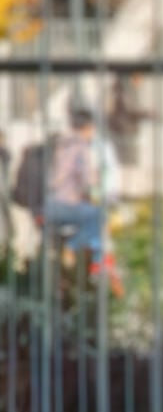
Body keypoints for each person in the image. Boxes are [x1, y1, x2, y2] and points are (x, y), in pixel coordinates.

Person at [42, 102, 123, 294]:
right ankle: (81, 253)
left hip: (47, 204)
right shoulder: (80, 146)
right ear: (87, 127)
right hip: (64, 204)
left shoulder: (60, 142)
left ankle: (96, 264)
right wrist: (96, 182)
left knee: (93, 220)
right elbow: (87, 181)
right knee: (99, 216)